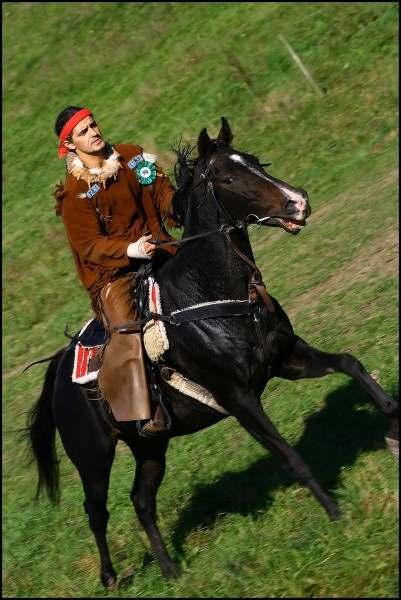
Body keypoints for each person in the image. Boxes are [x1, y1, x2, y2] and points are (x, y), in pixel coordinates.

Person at [53, 106, 178, 435]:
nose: (94, 132)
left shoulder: (130, 155)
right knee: (126, 328)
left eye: (93, 124)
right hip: (112, 277)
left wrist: (174, 204)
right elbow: (89, 246)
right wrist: (128, 250)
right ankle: (143, 412)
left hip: (159, 248)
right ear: (69, 145)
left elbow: (158, 187)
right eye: (83, 131)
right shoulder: (75, 196)